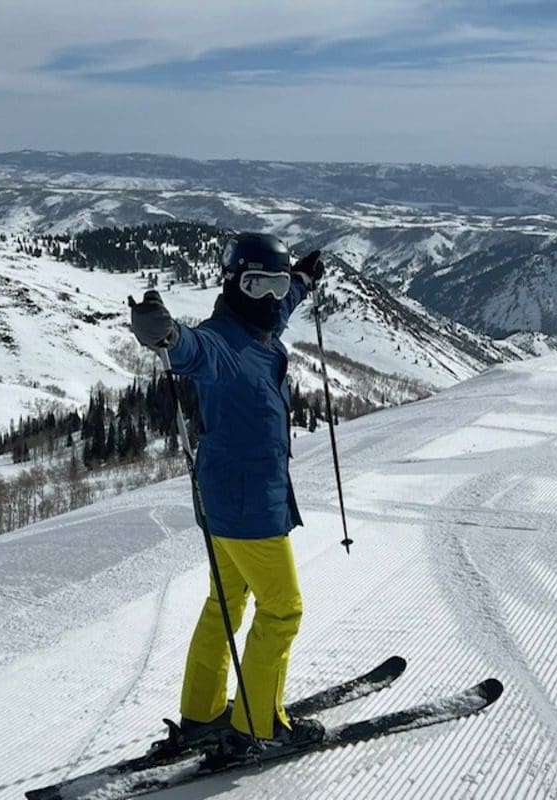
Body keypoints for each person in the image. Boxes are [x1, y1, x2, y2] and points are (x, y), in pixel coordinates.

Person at [130, 232, 324, 755]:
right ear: (233, 282)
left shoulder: (257, 326)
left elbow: (279, 310)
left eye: (275, 284)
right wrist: (166, 336)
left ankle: (202, 711)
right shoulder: (220, 342)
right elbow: (191, 349)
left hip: (222, 499)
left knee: (226, 601)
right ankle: (259, 726)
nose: (269, 297)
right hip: (249, 508)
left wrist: (301, 281)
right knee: (283, 610)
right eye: (257, 284)